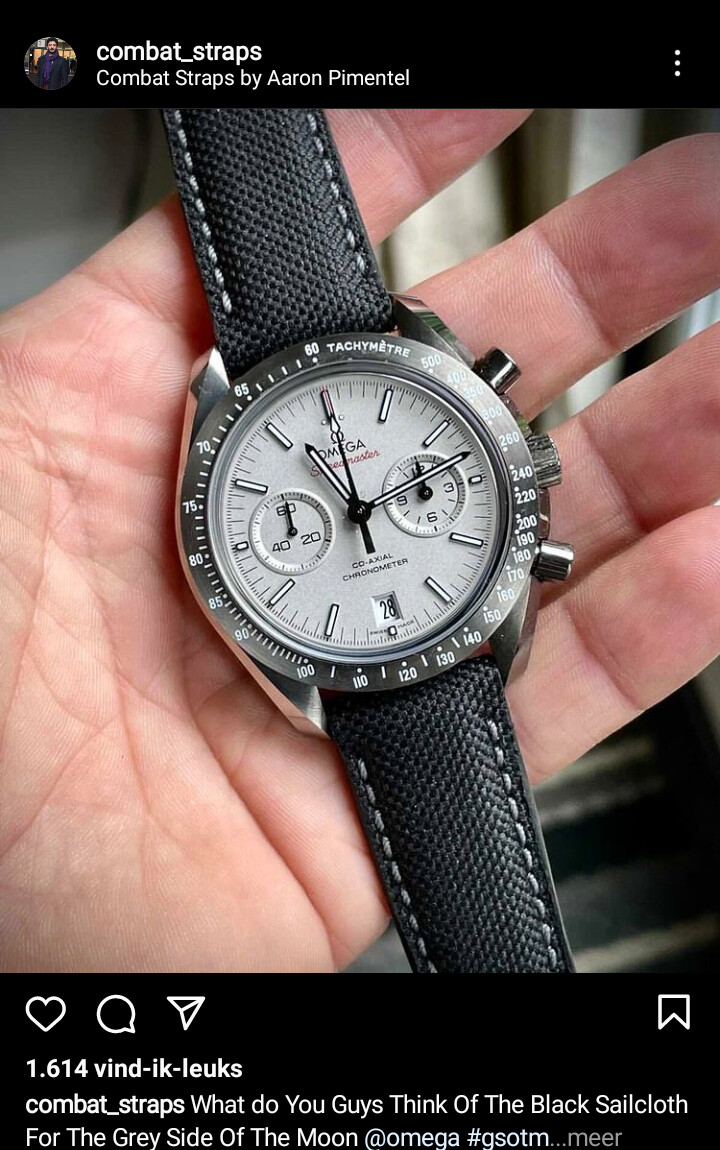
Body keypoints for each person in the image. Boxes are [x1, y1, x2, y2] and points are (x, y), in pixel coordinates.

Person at [0, 110, 718, 972]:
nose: (363, 515)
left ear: (518, 466)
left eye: (403, 491)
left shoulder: (344, 382)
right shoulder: (223, 404)